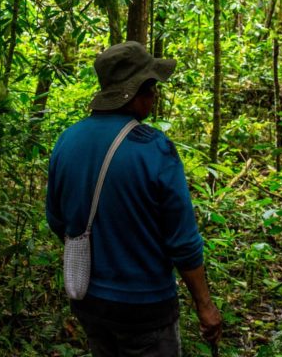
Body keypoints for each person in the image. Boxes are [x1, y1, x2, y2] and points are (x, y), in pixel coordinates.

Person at [46, 41, 222, 356]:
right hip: (145, 308)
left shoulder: (67, 140)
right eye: (150, 87)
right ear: (134, 93)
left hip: (88, 301)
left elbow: (57, 220)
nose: (154, 96)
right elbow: (183, 242)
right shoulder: (154, 149)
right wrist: (205, 306)